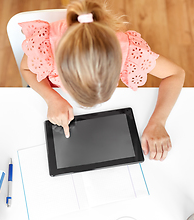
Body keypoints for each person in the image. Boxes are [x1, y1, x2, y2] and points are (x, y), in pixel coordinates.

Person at [19, 0, 185, 161]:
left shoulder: (127, 50)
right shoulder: (45, 47)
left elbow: (176, 74)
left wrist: (158, 121)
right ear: (61, 74)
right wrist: (52, 98)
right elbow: (26, 69)